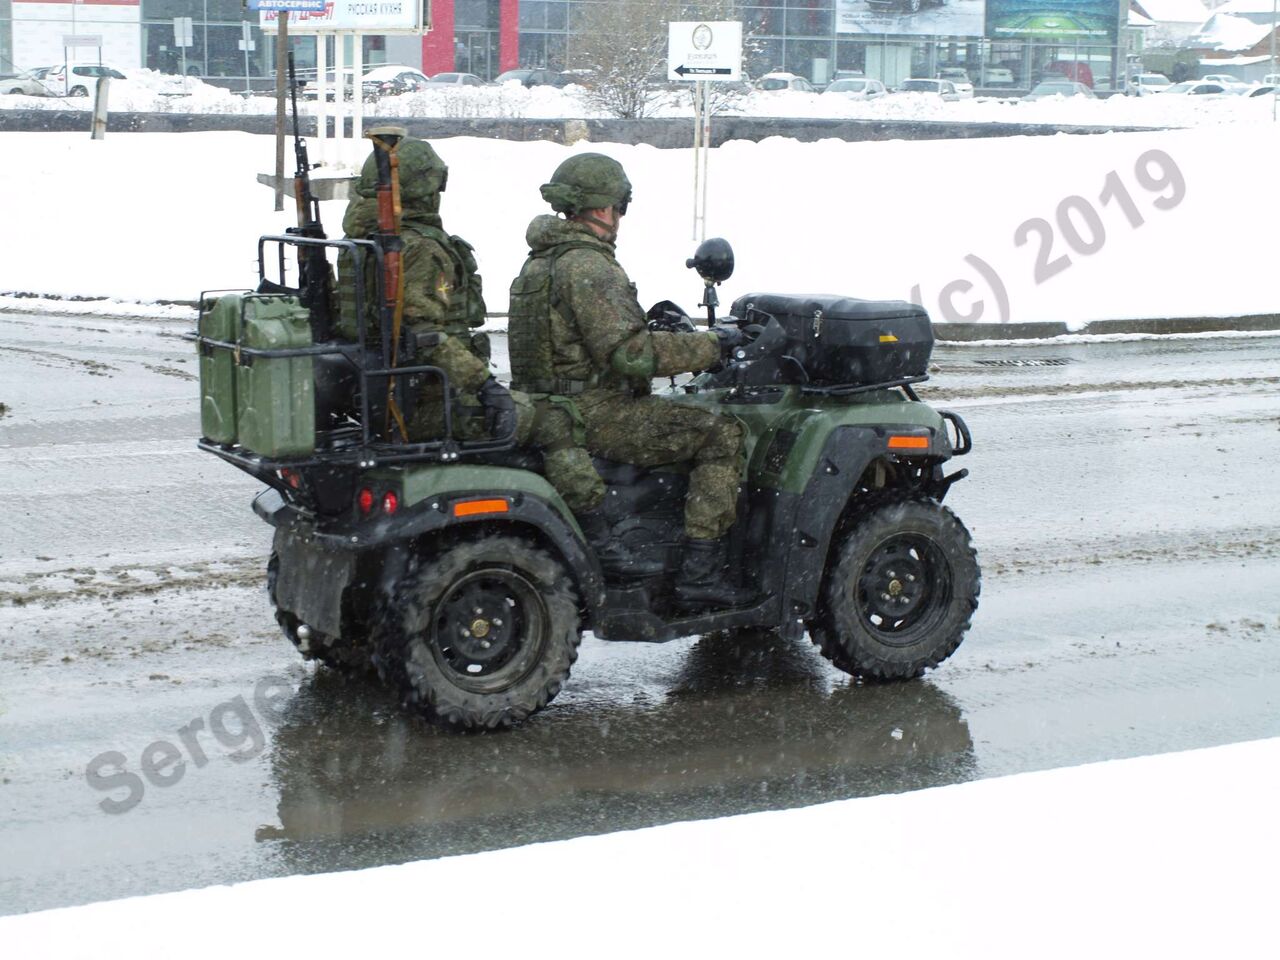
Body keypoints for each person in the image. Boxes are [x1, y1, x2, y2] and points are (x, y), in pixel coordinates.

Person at [508, 153, 751, 608]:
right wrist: (714, 345)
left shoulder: (541, 261)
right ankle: (700, 573)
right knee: (721, 433)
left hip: (548, 406)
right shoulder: (588, 265)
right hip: (594, 411)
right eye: (619, 206)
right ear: (604, 208)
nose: (619, 218)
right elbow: (631, 353)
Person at [337, 133, 512, 442]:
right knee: (556, 420)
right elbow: (425, 336)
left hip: (381, 396)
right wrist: (484, 385)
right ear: (427, 188)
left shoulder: (359, 244)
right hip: (425, 401)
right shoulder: (419, 248)